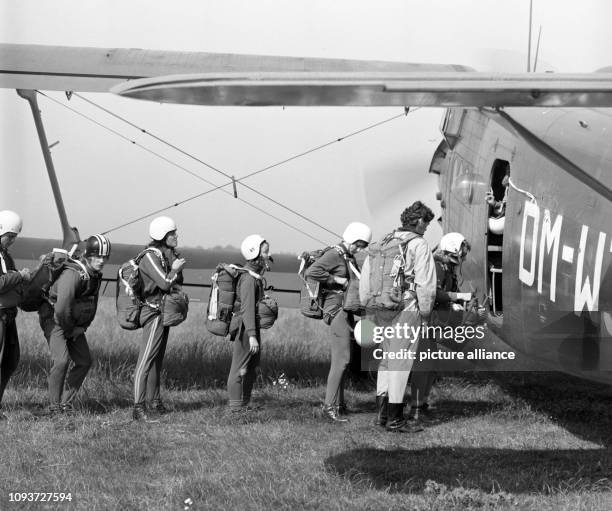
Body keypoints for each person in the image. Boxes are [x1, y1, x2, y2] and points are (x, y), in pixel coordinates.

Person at [375, 202, 436, 433]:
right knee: (401, 362)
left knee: (386, 361)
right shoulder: (418, 244)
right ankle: (396, 419)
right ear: (418, 221)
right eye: (427, 222)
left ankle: (381, 415)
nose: (427, 227)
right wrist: (426, 314)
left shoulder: (385, 240)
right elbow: (426, 286)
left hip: (382, 307)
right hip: (407, 307)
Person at [306, 222, 371, 423]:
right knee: (341, 360)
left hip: (345, 310)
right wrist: (336, 279)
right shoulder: (335, 254)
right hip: (337, 311)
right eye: (359, 245)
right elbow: (312, 272)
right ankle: (330, 407)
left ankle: (339, 405)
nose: (360, 249)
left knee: (344, 359)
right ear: (351, 239)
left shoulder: (345, 255)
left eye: (362, 246)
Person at [39, 234, 111, 415]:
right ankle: (54, 407)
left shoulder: (94, 274)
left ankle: (66, 404)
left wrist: (82, 328)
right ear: (88, 255)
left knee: (84, 361)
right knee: (62, 360)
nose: (101, 261)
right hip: (53, 319)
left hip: (72, 324)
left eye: (104, 257)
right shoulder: (73, 274)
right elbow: (62, 308)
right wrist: (71, 330)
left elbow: (91, 304)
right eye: (97, 256)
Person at [408, 232, 472, 420]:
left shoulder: (447, 267)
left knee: (431, 365)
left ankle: (422, 403)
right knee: (424, 364)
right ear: (452, 249)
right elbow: (433, 292)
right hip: (425, 320)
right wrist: (457, 297)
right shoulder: (437, 267)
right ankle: (417, 408)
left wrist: (455, 302)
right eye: (461, 251)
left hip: (435, 320)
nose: (463, 256)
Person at [132, 216, 186, 421]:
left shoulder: (165, 255)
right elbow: (165, 284)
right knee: (145, 361)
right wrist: (175, 269)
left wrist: (175, 267)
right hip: (153, 313)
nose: (176, 236)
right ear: (162, 236)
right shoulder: (149, 257)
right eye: (172, 233)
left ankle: (154, 402)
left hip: (162, 312)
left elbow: (174, 282)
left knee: (156, 360)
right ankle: (138, 407)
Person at [227, 234, 272, 413]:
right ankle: (236, 410)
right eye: (266, 252)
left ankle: (244, 404)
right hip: (245, 330)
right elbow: (247, 309)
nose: (269, 255)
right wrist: (252, 336)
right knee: (239, 369)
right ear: (256, 254)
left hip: (251, 328)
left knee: (251, 368)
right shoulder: (248, 279)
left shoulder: (254, 277)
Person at [0, 211, 31, 419]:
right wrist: (19, 276)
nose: (12, 241)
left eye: (14, 237)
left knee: (11, 360)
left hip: (8, 314)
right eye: (10, 236)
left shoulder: (5, 255)